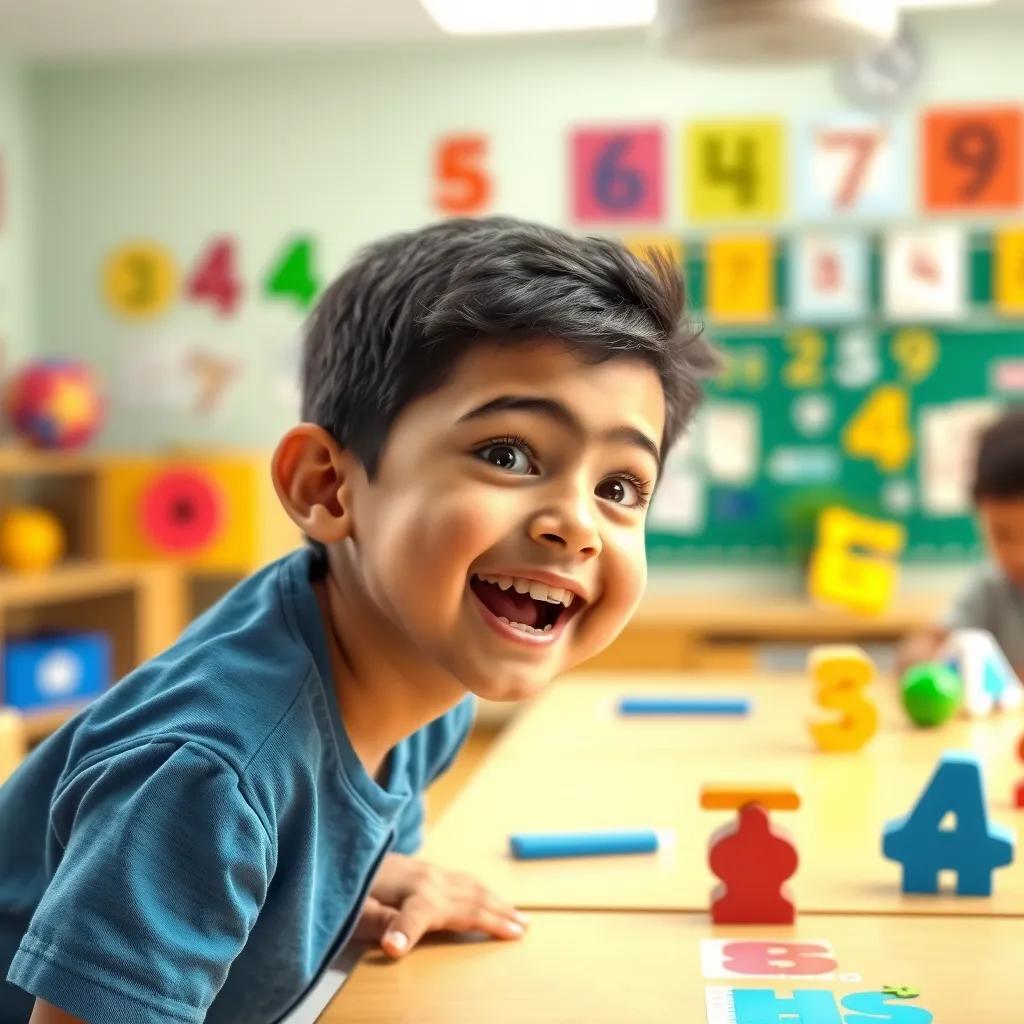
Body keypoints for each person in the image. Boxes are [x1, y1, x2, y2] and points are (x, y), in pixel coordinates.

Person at [1, 216, 718, 1024]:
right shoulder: (209, 778)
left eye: (620, 488)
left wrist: (366, 871)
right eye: (509, 454)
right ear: (327, 488)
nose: (578, 525)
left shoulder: (424, 677)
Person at [897, 408, 1024, 680]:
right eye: (1001, 534)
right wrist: (928, 662)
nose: (1018, 555)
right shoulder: (991, 588)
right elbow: (919, 650)